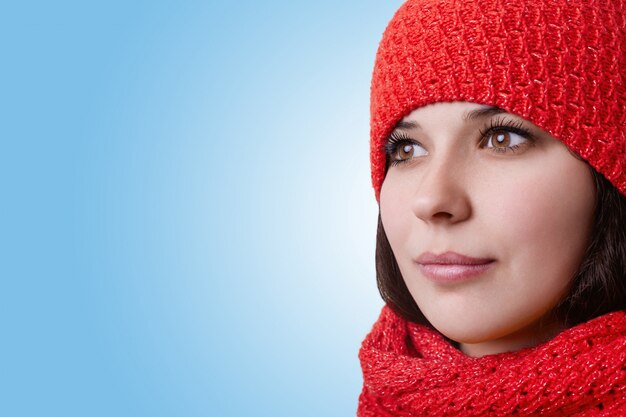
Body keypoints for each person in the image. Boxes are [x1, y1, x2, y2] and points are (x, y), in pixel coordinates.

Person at [357, 0, 626, 415]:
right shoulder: (388, 392)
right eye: (407, 149)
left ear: (609, 169)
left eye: (502, 138)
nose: (432, 200)